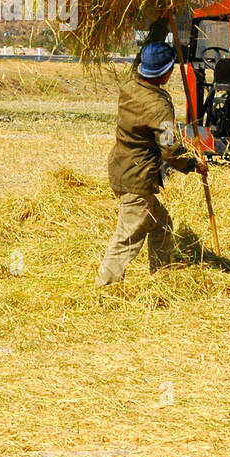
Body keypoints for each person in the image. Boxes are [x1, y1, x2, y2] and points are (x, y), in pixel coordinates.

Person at [96, 40, 207, 286]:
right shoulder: (157, 108)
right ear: (166, 72)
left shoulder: (130, 85)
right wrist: (193, 164)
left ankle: (162, 275)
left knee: (161, 224)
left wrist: (160, 20)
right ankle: (105, 288)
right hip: (138, 178)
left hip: (121, 168)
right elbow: (170, 149)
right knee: (127, 238)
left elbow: (141, 58)